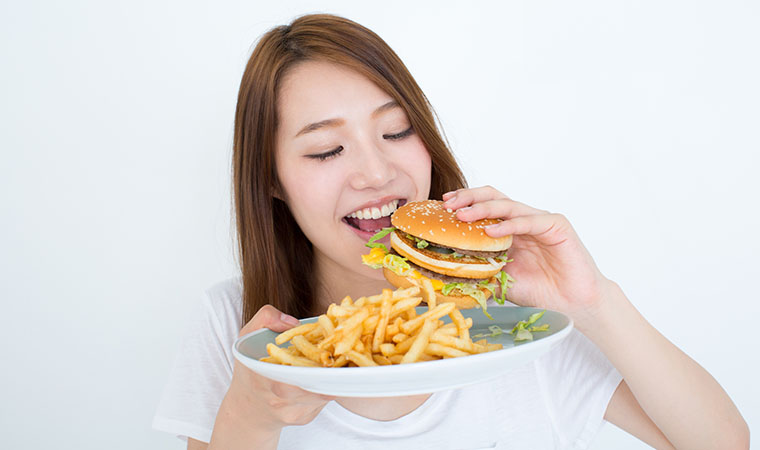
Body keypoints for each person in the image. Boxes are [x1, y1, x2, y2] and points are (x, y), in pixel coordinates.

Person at [153, 14, 749, 450]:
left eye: (396, 132)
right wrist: (253, 416)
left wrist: (593, 300)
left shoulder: (515, 327)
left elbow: (723, 443)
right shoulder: (237, 328)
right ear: (273, 181)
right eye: (327, 149)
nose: (378, 174)